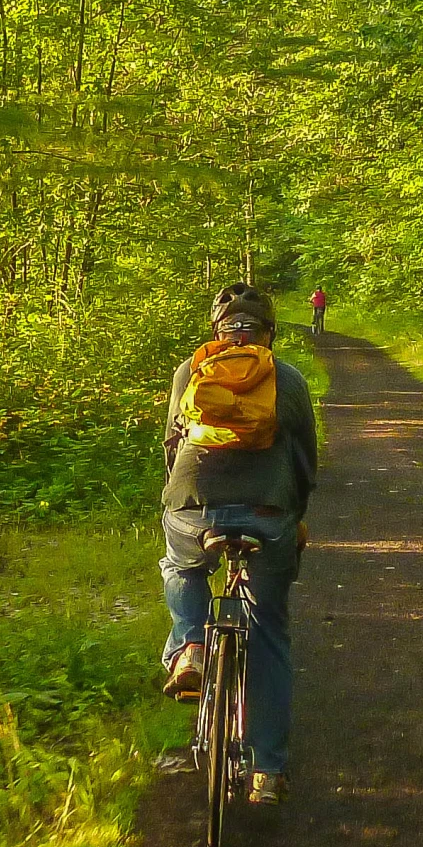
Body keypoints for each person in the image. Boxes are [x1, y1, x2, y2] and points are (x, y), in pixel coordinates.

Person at [159, 283, 318, 805]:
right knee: (267, 629)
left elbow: (172, 446)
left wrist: (183, 500)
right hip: (268, 513)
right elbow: (304, 462)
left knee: (182, 566)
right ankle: (267, 771)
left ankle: (193, 646)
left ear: (216, 331)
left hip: (193, 507)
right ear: (269, 332)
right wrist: (294, 516)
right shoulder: (287, 379)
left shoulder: (191, 371)